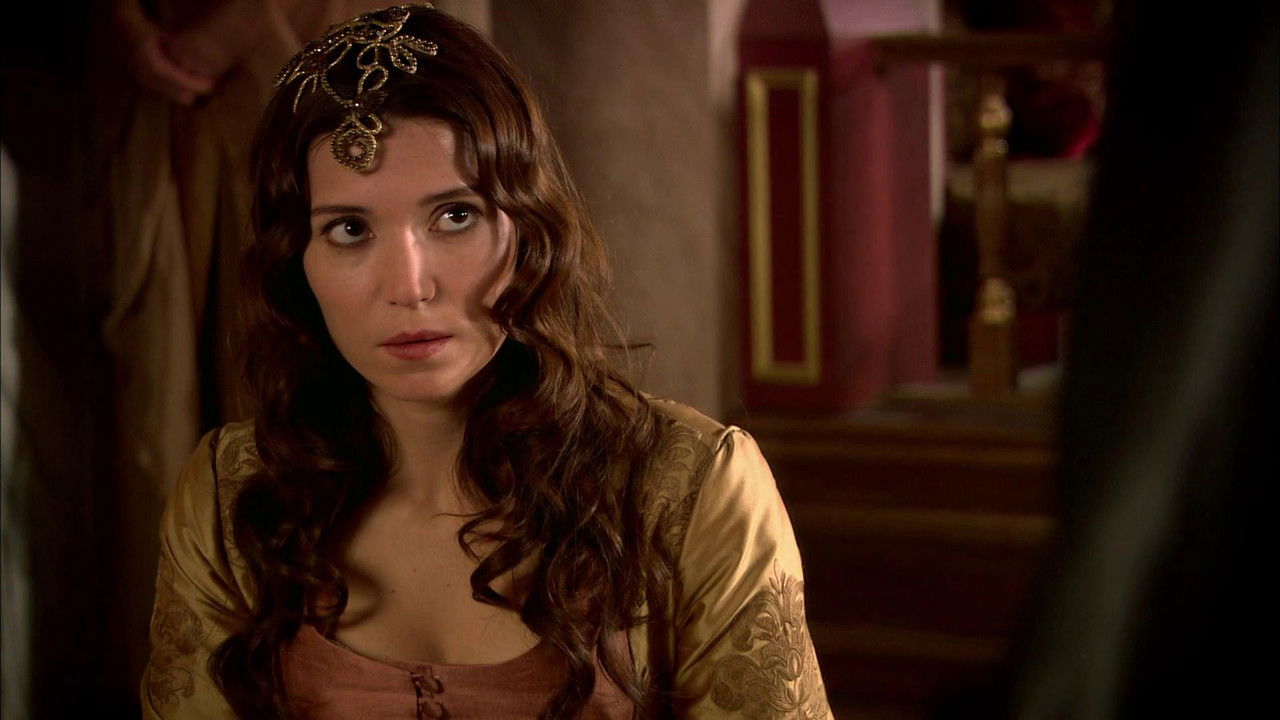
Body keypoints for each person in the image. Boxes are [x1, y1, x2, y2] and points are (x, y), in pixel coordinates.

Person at [140, 4, 832, 719]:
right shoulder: (232, 499)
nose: (409, 286)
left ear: (528, 231)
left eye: (455, 216)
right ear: (296, 262)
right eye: (349, 229)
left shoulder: (686, 492)